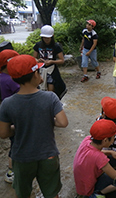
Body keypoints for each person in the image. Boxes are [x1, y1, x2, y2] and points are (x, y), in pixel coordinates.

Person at [0, 54, 68, 198]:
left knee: (23, 193)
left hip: (22, 157)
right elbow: (63, 122)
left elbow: (4, 133)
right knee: (51, 193)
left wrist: (19, 127)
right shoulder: (50, 97)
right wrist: (47, 120)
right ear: (36, 74)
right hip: (48, 155)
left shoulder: (7, 103)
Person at [73, 119, 116, 197]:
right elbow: (115, 175)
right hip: (89, 187)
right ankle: (98, 193)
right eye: (113, 137)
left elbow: (93, 152)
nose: (113, 140)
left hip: (81, 183)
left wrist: (110, 152)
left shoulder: (87, 140)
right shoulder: (99, 157)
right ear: (105, 140)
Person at [0, 49, 20, 184]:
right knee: (16, 143)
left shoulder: (2, 78)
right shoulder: (11, 81)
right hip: (15, 116)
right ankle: (11, 171)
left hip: (4, 115)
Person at [33, 25, 67, 99]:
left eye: (48, 38)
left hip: (51, 70)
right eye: (44, 38)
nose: (46, 40)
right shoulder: (38, 45)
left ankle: (51, 104)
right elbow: (34, 58)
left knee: (51, 90)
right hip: (41, 70)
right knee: (40, 89)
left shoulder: (56, 46)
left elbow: (62, 60)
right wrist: (38, 60)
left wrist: (52, 61)